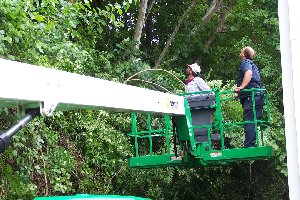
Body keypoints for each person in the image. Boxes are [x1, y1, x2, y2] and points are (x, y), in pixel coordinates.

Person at [235, 46, 264, 147]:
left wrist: (241, 87)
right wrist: (239, 93)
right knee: (254, 120)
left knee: (249, 120)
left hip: (251, 97)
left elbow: (248, 74)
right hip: (258, 95)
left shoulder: (245, 63)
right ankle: (251, 143)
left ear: (243, 54)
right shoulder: (253, 64)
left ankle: (249, 145)